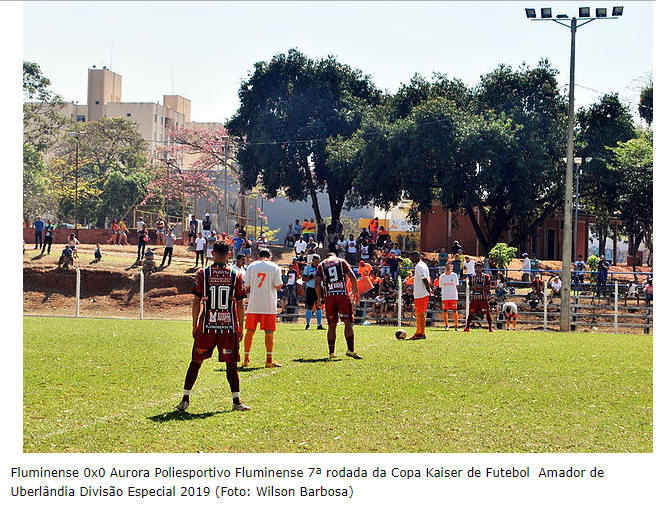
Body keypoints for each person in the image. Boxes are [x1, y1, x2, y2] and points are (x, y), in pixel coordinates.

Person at [177, 240, 250, 412]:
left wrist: (194, 324)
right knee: (231, 364)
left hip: (206, 325)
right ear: (229, 255)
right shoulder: (236, 274)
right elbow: (240, 304)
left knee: (195, 362)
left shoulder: (203, 273)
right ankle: (236, 401)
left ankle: (185, 399)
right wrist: (241, 326)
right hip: (228, 327)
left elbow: (196, 301)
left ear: (212, 254)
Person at [242, 248, 284, 368]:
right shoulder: (275, 267)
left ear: (258, 256)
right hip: (268, 305)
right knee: (269, 332)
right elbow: (278, 285)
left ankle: (246, 359)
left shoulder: (251, 266)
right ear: (269, 257)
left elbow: (246, 285)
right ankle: (269, 360)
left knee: (250, 331)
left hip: (253, 304)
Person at [315, 252, 362, 359]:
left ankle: (331, 352)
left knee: (332, 325)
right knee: (348, 323)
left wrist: (319, 298)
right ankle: (350, 350)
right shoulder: (341, 261)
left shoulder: (321, 265)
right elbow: (352, 276)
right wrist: (356, 292)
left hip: (329, 297)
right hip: (342, 295)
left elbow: (317, 282)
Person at [408, 251, 432, 340]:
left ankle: (420, 333)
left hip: (421, 293)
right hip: (421, 293)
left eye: (412, 257)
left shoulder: (419, 266)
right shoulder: (424, 265)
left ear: (416, 257)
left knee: (420, 313)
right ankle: (421, 332)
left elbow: (424, 279)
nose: (411, 259)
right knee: (420, 313)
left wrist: (428, 289)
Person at [464, 261, 493, 333]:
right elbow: (470, 287)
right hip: (474, 298)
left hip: (483, 298)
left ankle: (490, 328)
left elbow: (488, 287)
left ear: (482, 268)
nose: (478, 269)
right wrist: (473, 288)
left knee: (487, 312)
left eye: (479, 267)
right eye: (476, 267)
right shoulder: (472, 277)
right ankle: (467, 328)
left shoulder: (486, 276)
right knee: (471, 312)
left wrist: (480, 287)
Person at [303, 254, 325, 330]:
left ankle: (319, 325)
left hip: (319, 288)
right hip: (310, 288)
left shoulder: (321, 268)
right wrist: (310, 277)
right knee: (309, 306)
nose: (316, 263)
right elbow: (303, 278)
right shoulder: (308, 268)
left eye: (318, 262)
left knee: (319, 306)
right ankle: (308, 324)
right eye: (315, 262)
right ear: (312, 261)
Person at [438, 262, 459, 331]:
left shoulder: (454, 275)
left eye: (449, 266)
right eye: (447, 266)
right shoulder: (442, 276)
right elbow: (440, 286)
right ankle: (447, 326)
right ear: (444, 268)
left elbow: (456, 285)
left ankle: (456, 326)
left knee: (455, 310)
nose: (448, 268)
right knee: (445, 311)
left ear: (452, 268)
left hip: (453, 296)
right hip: (445, 296)